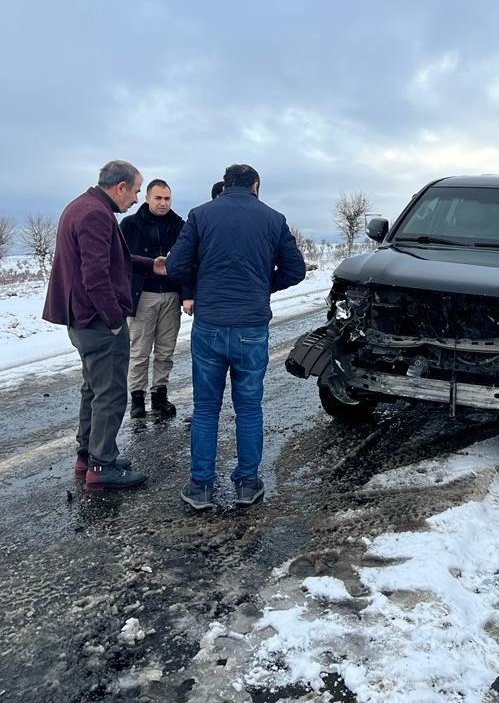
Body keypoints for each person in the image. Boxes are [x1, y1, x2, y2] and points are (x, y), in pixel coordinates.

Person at [165, 164, 305, 510]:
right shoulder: (273, 218)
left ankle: (200, 486)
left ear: (225, 185)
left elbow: (175, 267)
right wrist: (262, 285)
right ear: (255, 186)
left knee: (206, 408)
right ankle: (246, 483)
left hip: (210, 324)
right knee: (248, 408)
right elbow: (296, 270)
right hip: (251, 327)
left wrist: (202, 286)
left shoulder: (200, 215)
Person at [42, 161, 165, 491]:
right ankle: (102, 466)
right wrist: (113, 321)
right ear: (120, 187)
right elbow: (94, 275)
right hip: (96, 321)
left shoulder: (82, 206)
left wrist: (150, 264)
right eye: (137, 191)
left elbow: (113, 261)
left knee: (93, 389)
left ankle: (88, 456)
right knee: (109, 393)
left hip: (81, 319)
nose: (137, 199)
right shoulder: (96, 214)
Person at [120, 178, 190, 419]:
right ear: (148, 198)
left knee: (165, 351)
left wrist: (187, 294)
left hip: (170, 295)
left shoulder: (180, 226)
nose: (163, 203)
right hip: (142, 296)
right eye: (158, 198)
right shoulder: (130, 225)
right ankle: (137, 398)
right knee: (139, 351)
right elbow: (119, 262)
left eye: (167, 198)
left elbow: (190, 261)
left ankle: (159, 395)